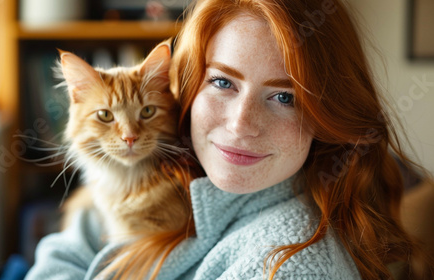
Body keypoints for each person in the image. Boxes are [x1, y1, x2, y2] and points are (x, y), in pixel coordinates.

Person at [26, 0, 433, 279]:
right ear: (185, 86)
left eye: (284, 97)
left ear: (326, 115)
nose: (241, 125)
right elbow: (71, 246)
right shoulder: (186, 167)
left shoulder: (293, 266)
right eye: (222, 81)